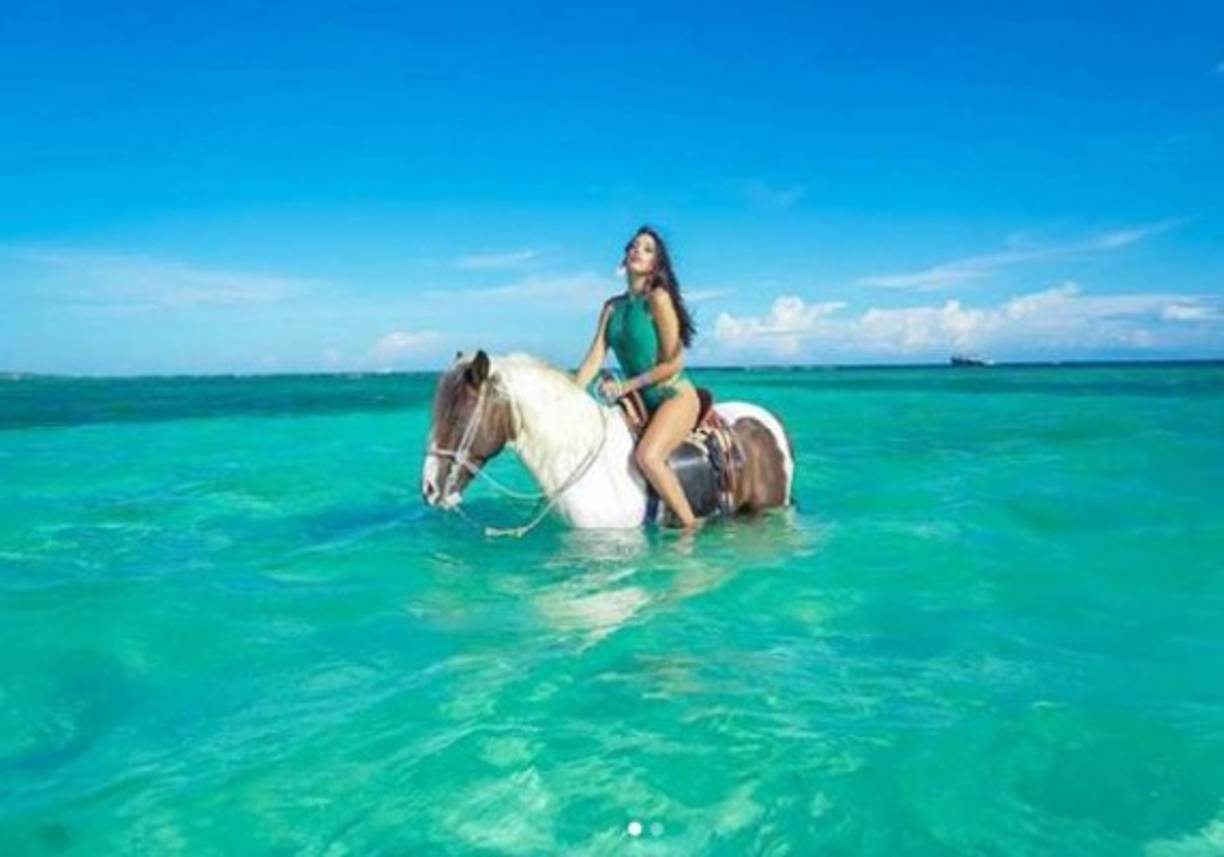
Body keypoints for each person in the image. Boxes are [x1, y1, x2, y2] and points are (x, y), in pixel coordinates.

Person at [574, 226, 701, 529]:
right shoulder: (611, 307)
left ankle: (689, 526)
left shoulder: (658, 299)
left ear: (656, 264)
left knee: (648, 456)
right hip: (637, 402)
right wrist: (570, 394)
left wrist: (625, 386)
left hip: (673, 395)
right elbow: (595, 357)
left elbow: (673, 363)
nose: (637, 251)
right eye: (633, 246)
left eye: (647, 249)